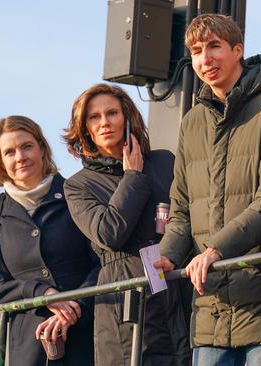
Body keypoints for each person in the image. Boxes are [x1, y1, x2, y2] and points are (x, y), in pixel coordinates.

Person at [154, 13, 261, 366]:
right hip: (210, 301)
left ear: (238, 50)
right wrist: (167, 255)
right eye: (197, 51)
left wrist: (215, 250)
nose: (205, 59)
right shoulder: (192, 122)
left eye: (214, 46)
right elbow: (182, 206)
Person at [62, 84, 191, 366]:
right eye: (94, 117)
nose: (104, 122)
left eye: (112, 113)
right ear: (85, 129)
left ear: (128, 118)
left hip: (177, 290)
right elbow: (110, 233)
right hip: (124, 304)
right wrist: (132, 175)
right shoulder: (78, 186)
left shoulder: (164, 161)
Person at [0, 116, 99, 366]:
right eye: (9, 152)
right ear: (0, 161)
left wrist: (75, 307)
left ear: (42, 148)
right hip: (28, 347)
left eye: (26, 146)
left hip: (85, 339)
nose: (20, 156)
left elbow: (101, 264)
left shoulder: (76, 194)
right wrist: (43, 293)